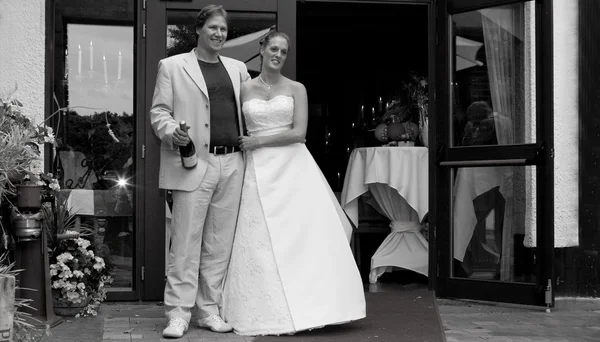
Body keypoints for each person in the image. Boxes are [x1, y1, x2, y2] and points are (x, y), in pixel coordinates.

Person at [222, 30, 366, 336]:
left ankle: (313, 304)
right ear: (261, 49)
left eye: (283, 51)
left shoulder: (297, 88)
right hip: (257, 170)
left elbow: (299, 133)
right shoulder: (243, 89)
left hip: (293, 167)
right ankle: (267, 306)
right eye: (273, 48)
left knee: (301, 235)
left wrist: (258, 140)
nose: (277, 54)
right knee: (258, 236)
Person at [149, 4, 250, 339]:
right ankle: (178, 313)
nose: (219, 34)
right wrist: (170, 132)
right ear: (199, 29)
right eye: (213, 28)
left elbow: (251, 111)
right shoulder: (173, 66)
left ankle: (208, 311)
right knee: (186, 243)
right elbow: (159, 111)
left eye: (223, 29)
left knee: (218, 244)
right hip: (192, 163)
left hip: (232, 163)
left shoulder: (238, 69)